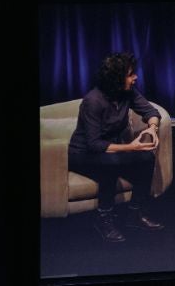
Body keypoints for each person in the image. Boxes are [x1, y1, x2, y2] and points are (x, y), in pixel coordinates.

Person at [68, 52, 165, 243]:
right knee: (110, 164)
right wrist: (131, 147)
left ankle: (135, 214)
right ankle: (104, 220)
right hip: (82, 154)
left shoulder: (127, 93)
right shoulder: (93, 101)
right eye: (130, 74)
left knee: (147, 157)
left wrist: (152, 128)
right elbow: (95, 144)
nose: (135, 77)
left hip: (113, 151)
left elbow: (150, 111)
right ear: (116, 79)